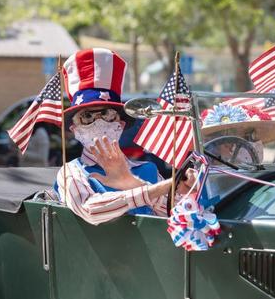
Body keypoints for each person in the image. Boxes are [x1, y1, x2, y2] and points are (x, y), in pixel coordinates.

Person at [55, 48, 195, 225]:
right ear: (75, 130)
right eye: (87, 117)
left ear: (120, 125)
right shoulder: (72, 172)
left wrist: (132, 182)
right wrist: (164, 187)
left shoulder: (147, 169)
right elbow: (90, 210)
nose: (98, 123)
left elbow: (179, 216)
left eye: (107, 114)